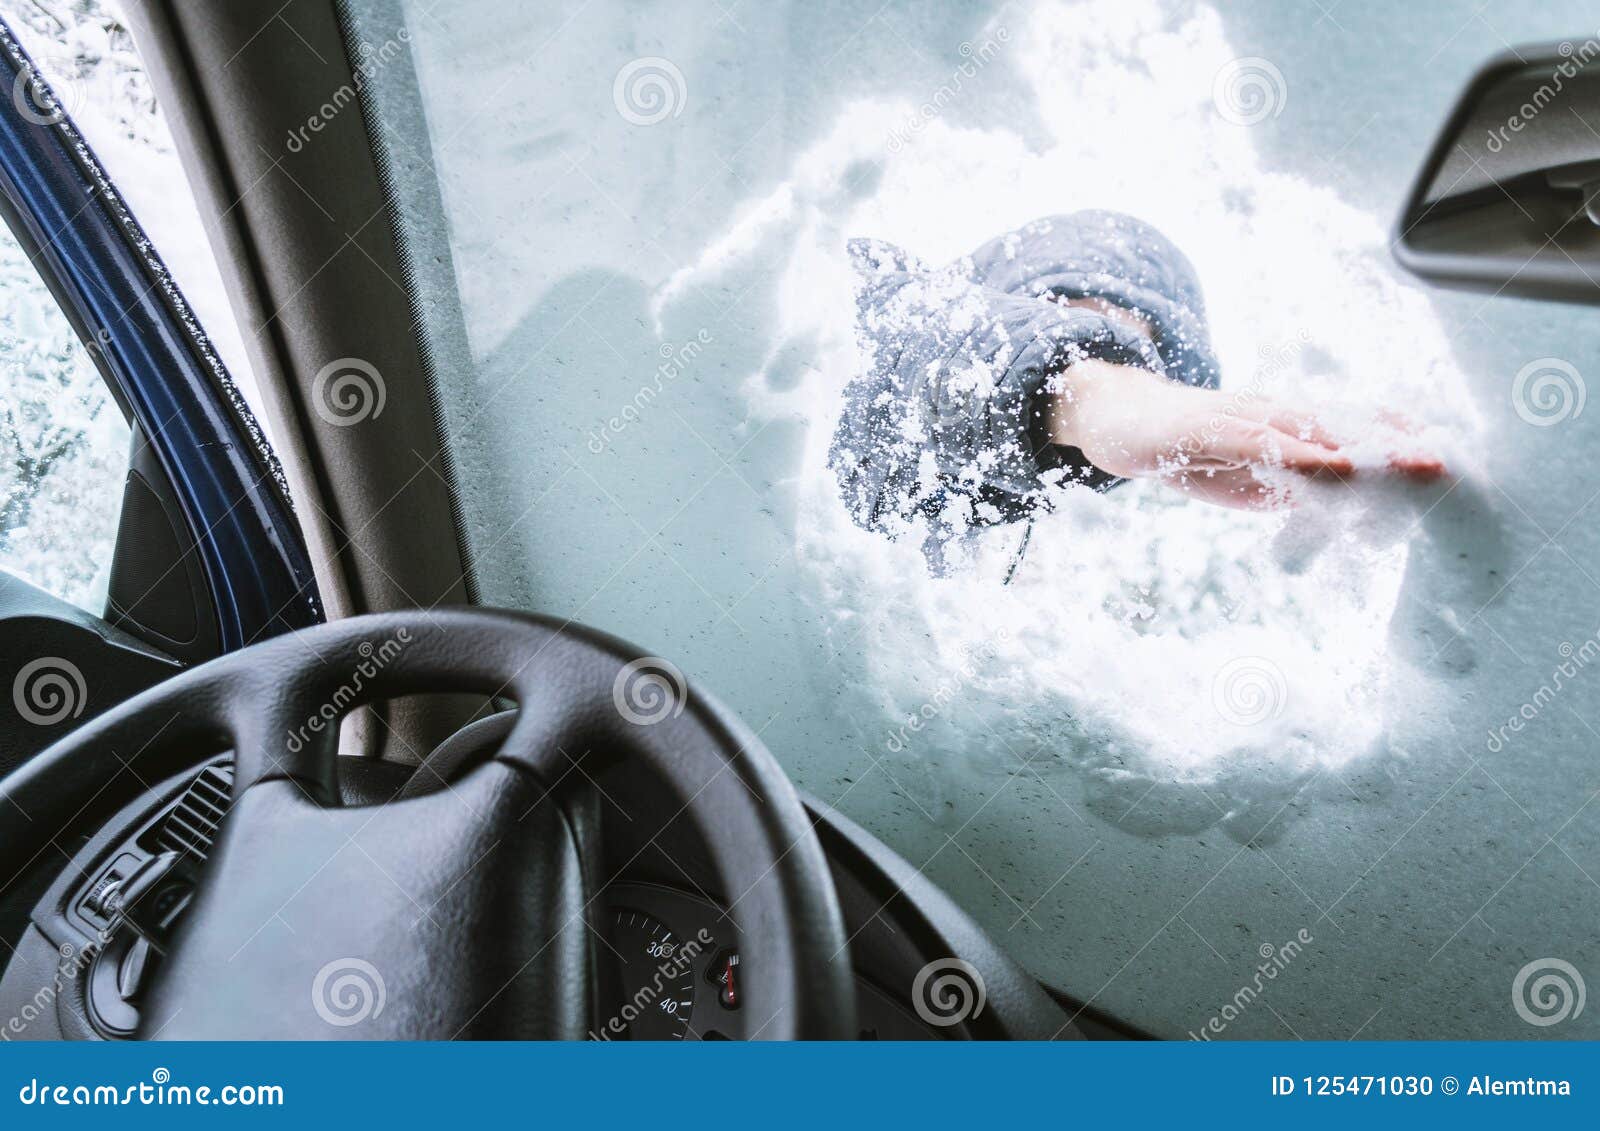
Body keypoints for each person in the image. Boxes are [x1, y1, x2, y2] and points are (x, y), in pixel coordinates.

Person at [829, 210, 1444, 572]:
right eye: (1070, 317)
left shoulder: (1117, 540)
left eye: (1130, 351)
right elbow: (889, 346)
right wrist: (1078, 392)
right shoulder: (858, 305)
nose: (1102, 355)